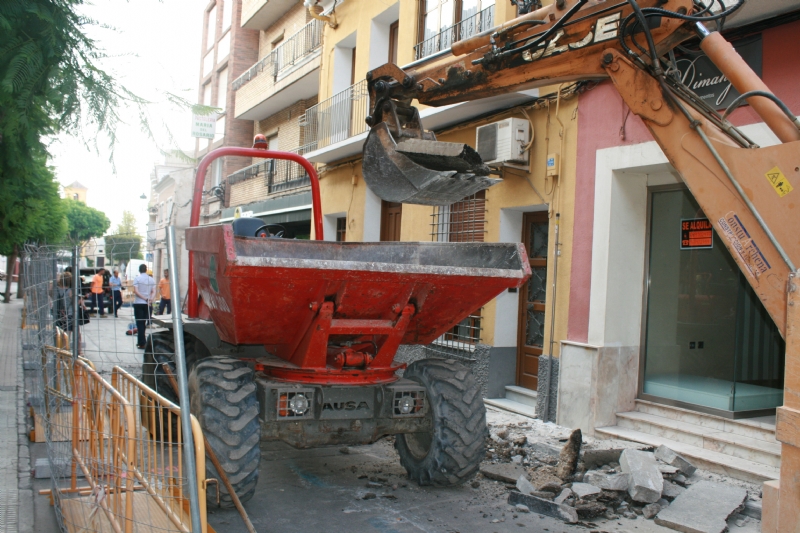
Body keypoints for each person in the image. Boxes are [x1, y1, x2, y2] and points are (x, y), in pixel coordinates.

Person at [133, 264, 156, 349]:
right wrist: (150, 299)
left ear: (139, 270)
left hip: (139, 303)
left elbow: (136, 291)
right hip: (148, 304)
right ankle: (143, 341)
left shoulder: (137, 279)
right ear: (146, 270)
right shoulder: (151, 280)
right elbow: (154, 291)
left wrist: (145, 298)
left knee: (140, 324)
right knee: (144, 323)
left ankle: (141, 342)